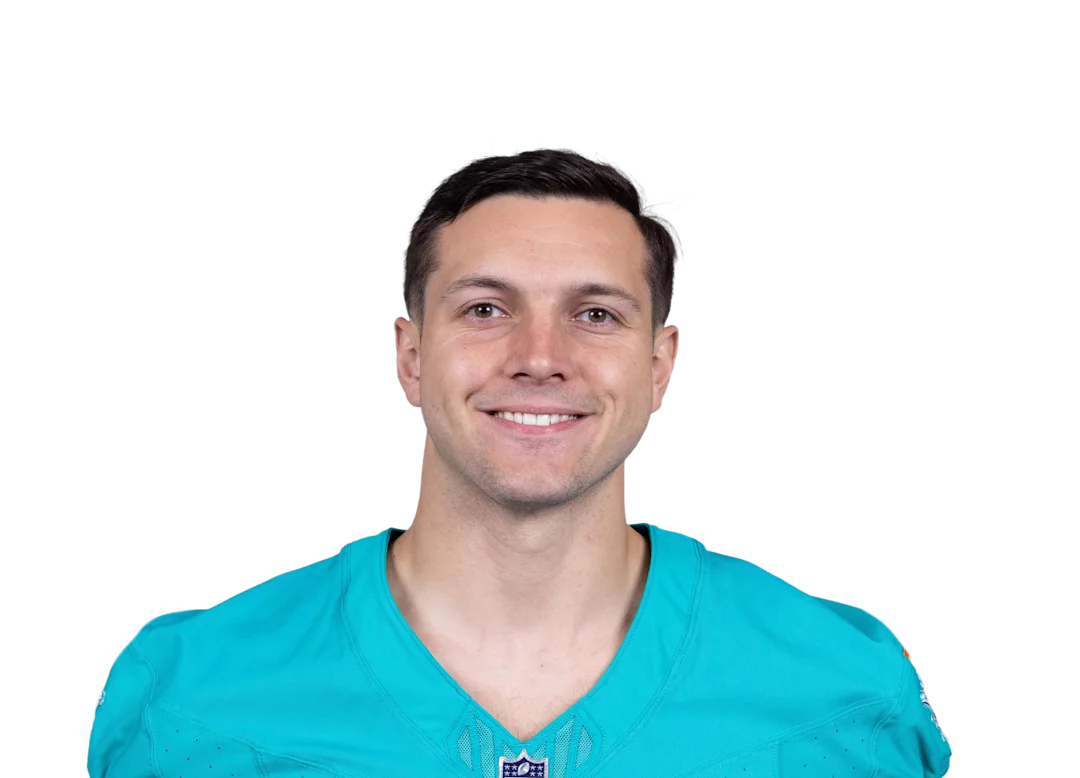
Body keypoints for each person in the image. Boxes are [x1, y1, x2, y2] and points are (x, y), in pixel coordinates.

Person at [87, 144, 951, 777]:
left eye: (596, 314)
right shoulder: (188, 697)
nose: (540, 357)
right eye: (486, 309)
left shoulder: (844, 691)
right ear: (409, 354)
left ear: (661, 365)